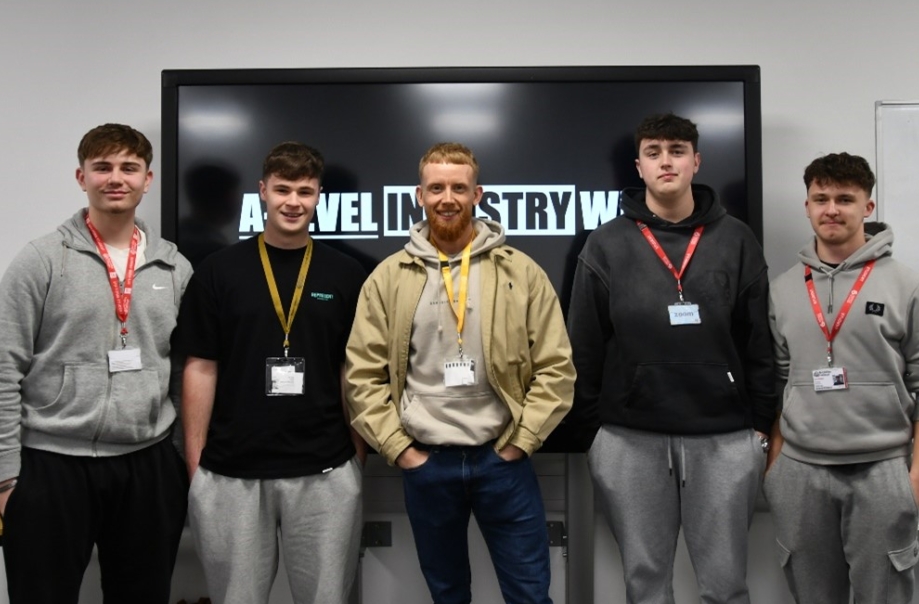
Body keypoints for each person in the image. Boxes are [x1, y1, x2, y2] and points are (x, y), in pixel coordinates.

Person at [344, 142, 575, 604]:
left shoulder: (522, 273)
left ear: (477, 194)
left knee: (531, 595)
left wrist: (520, 443)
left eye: (458, 187)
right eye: (436, 188)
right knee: (448, 596)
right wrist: (402, 451)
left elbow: (556, 367)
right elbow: (361, 375)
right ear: (419, 194)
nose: (447, 198)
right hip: (427, 464)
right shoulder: (389, 277)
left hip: (503, 461)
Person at [0, 123, 192, 604]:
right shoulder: (42, 260)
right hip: (53, 465)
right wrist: (7, 477)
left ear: (148, 179)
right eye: (103, 167)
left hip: (147, 466)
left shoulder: (174, 267)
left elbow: (181, 373)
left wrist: (177, 462)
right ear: (82, 176)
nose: (116, 178)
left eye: (129, 168)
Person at [566, 112, 776, 604]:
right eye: (654, 152)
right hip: (629, 439)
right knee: (645, 583)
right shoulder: (606, 243)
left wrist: (761, 424)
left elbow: (759, 341)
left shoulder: (736, 239)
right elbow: (584, 345)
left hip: (724, 438)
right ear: (637, 166)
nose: (666, 162)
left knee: (725, 585)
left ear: (696, 161)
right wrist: (594, 431)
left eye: (677, 151)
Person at [174, 142, 366, 604]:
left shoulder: (346, 274)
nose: (293, 202)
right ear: (263, 191)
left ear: (319, 196)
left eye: (305, 190)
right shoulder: (218, 272)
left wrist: (356, 459)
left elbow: (351, 370)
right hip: (230, 473)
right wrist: (196, 463)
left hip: (325, 471)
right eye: (282, 189)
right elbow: (200, 366)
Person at [765, 152, 919, 604]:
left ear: (867, 208)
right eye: (820, 198)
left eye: (845, 199)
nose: (832, 209)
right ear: (807, 206)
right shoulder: (784, 288)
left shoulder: (908, 286)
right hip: (801, 473)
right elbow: (779, 380)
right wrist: (775, 466)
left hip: (881, 471)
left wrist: (917, 479)